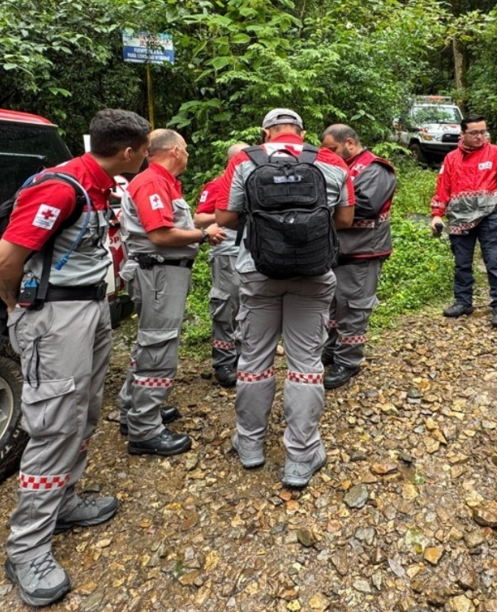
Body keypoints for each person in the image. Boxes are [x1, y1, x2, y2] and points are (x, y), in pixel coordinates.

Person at [0, 109, 150, 607]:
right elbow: (3, 261)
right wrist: (19, 309)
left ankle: (65, 502)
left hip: (89, 309)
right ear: (127, 151)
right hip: (54, 318)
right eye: (142, 150)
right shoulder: (61, 187)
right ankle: (27, 546)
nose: (144, 157)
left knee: (84, 412)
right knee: (56, 422)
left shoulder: (97, 185)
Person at [215, 108, 354, 488]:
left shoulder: (245, 160)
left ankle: (250, 446)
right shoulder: (330, 160)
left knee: (255, 358)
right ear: (302, 131)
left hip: (258, 271)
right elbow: (344, 220)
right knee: (306, 362)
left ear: (265, 132)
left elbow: (224, 217)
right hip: (313, 273)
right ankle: (301, 456)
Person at [117, 129, 226, 458]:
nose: (188, 155)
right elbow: (162, 234)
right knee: (158, 345)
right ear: (175, 151)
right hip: (159, 271)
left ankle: (132, 410)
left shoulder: (163, 182)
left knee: (150, 341)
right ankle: (145, 430)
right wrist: (204, 234)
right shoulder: (153, 182)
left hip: (162, 271)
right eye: (187, 149)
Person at [319, 125, 396, 389]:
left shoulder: (375, 169)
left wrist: (321, 209)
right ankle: (330, 351)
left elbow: (365, 206)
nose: (329, 155)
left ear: (350, 143)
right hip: (338, 250)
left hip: (364, 250)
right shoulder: (339, 167)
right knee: (331, 306)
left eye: (333, 149)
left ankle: (347, 362)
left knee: (354, 308)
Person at [430, 114, 497, 328]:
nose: (480, 136)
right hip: (460, 219)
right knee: (462, 263)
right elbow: (443, 188)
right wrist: (436, 213)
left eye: (483, 131)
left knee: (495, 262)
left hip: (489, 218)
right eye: (474, 133)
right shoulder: (451, 158)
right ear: (462, 134)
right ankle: (463, 302)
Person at [194, 143, 249, 388]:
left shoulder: (257, 180)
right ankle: (224, 361)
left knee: (251, 305)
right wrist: (230, 215)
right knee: (226, 306)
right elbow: (199, 219)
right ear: (233, 162)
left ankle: (244, 355)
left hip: (254, 252)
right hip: (227, 253)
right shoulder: (219, 184)